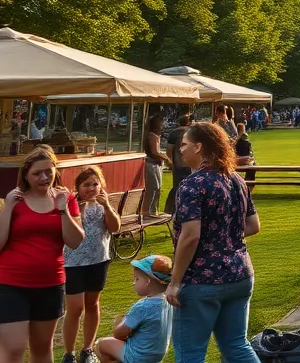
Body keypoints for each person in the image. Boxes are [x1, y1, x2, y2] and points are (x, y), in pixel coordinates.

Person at [166, 122, 259, 362]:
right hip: (240, 273)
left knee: (191, 354)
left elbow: (191, 235)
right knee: (237, 345)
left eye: (184, 145)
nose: (181, 150)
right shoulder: (237, 180)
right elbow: (252, 225)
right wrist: (224, 238)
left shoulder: (191, 185)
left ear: (199, 147)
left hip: (202, 279)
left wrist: (175, 282)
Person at [0, 146, 85, 363]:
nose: (45, 177)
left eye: (49, 171)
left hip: (49, 284)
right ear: (26, 175)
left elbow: (75, 241)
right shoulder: (15, 200)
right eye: (37, 173)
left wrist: (62, 209)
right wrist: (8, 208)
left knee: (41, 348)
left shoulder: (66, 199)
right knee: (14, 348)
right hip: (11, 283)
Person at [63, 167, 121, 363]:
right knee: (75, 308)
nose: (91, 188)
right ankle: (69, 353)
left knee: (93, 304)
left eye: (95, 184)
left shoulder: (104, 205)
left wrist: (107, 207)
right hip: (73, 262)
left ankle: (87, 349)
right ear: (77, 187)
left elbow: (114, 228)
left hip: (98, 261)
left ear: (101, 186)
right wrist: (76, 209)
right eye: (86, 184)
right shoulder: (71, 204)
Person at [95, 256, 173, 363]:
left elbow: (118, 334)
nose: (133, 283)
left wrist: (121, 322)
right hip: (157, 355)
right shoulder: (169, 301)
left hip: (139, 355)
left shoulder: (143, 307)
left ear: (148, 282)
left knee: (101, 345)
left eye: (137, 279)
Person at [142, 116, 172, 216]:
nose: (162, 125)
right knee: (152, 188)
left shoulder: (155, 136)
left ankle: (154, 211)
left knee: (157, 188)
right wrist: (166, 159)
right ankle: (147, 212)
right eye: (161, 123)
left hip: (156, 165)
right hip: (152, 165)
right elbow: (155, 152)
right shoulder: (152, 136)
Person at [163, 115, 192, 216]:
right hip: (191, 165)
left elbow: (168, 152)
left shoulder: (174, 133)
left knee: (177, 189)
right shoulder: (193, 132)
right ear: (189, 122)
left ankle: (173, 211)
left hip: (178, 165)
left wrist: (170, 164)